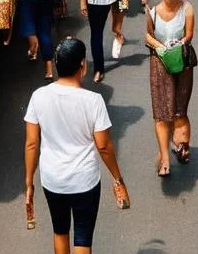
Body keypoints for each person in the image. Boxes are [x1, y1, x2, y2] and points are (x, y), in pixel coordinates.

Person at [24, 38, 129, 254]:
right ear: (82, 65)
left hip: (52, 179)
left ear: (56, 65)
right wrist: (118, 179)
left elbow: (32, 144)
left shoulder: (38, 97)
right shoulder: (93, 101)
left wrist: (28, 183)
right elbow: (104, 147)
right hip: (84, 180)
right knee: (82, 237)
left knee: (60, 231)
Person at [145, 0, 195, 177]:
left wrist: (161, 48)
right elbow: (189, 35)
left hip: (160, 65)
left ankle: (165, 157)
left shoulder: (154, 12)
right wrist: (178, 43)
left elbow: (148, 36)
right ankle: (180, 147)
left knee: (161, 114)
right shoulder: (188, 9)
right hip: (182, 63)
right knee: (179, 109)